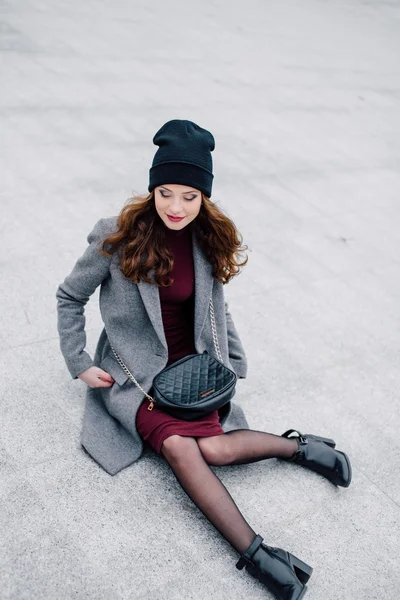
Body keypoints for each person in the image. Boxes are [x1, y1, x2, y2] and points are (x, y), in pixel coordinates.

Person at [56, 119, 352, 600]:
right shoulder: (116, 236)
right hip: (137, 378)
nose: (175, 207)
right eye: (166, 192)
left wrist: (232, 360)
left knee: (214, 450)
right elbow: (69, 297)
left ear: (204, 198)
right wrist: (78, 360)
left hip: (192, 373)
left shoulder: (206, 241)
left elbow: (217, 307)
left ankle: (299, 447)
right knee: (180, 448)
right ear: (153, 188)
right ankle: (260, 557)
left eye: (189, 196)